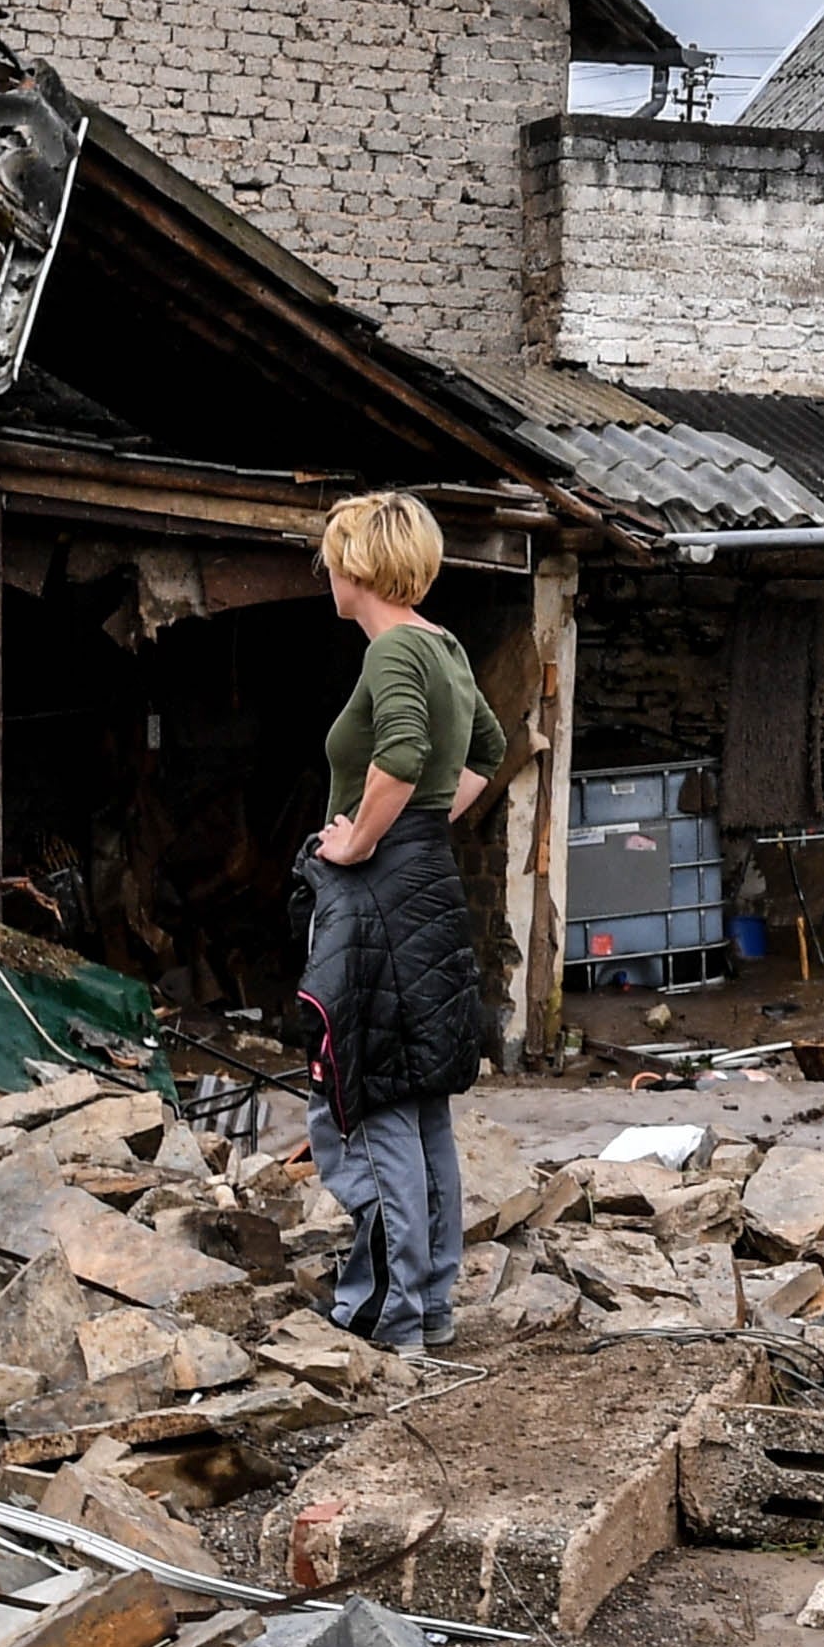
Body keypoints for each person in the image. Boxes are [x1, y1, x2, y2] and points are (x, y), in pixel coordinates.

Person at [297, 489, 506, 1350]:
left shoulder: (389, 653)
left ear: (356, 565)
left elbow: (404, 753)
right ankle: (433, 1307)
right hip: (427, 882)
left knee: (364, 1097)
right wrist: (423, 824)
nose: (326, 572)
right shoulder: (445, 646)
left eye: (331, 557)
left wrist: (358, 843)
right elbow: (484, 753)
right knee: (421, 1104)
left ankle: (385, 1313)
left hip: (378, 894)